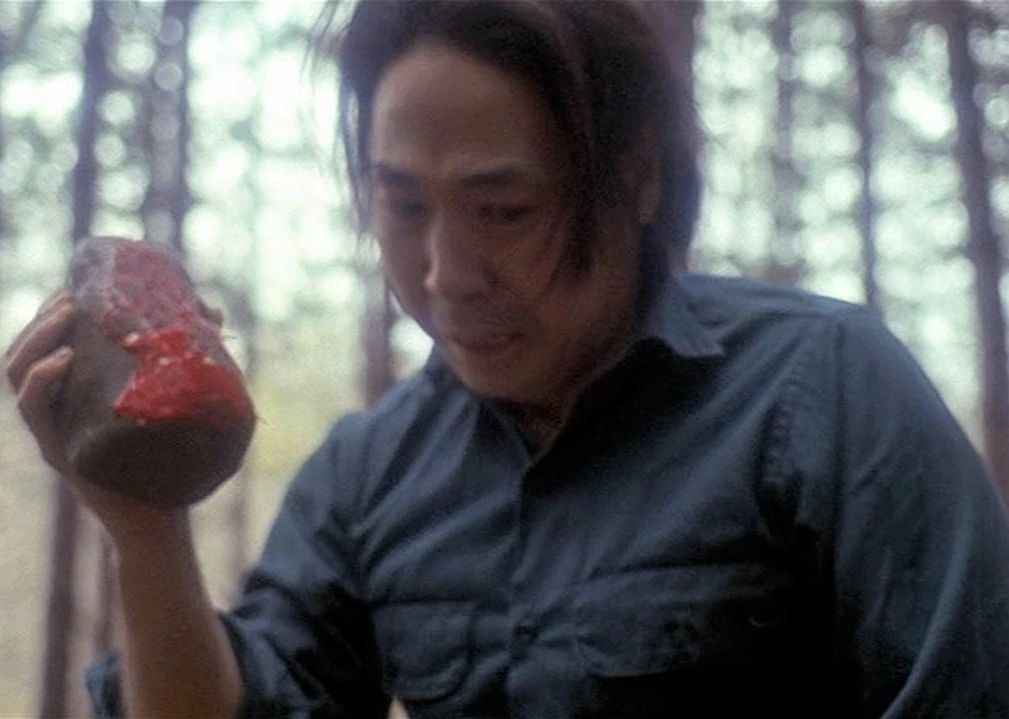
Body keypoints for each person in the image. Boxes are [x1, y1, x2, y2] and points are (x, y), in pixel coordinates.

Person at [6, 1, 1009, 716]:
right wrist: (145, 531)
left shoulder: (825, 386)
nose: (446, 275)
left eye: (505, 210)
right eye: (403, 206)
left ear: (637, 179)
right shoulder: (369, 472)